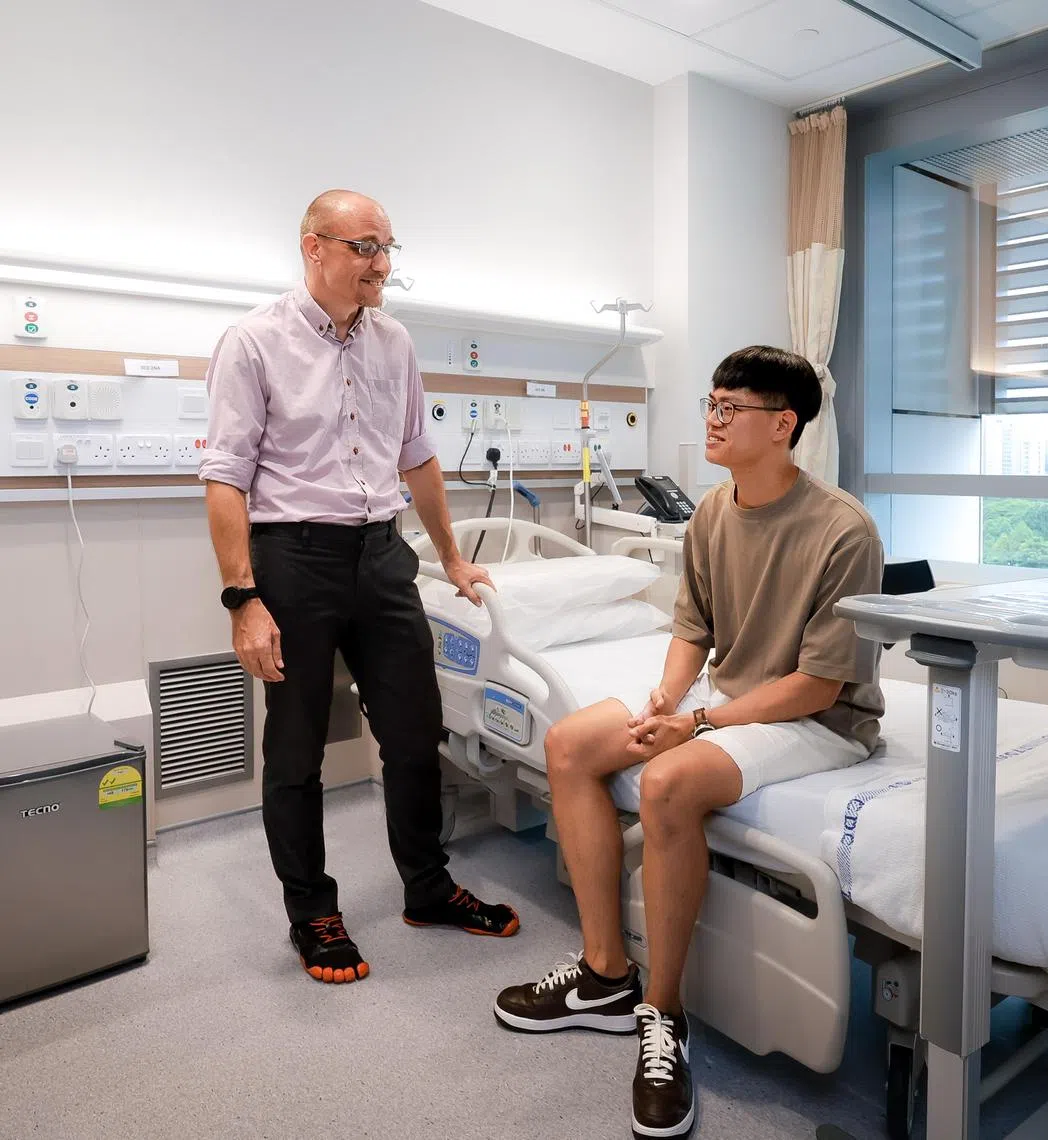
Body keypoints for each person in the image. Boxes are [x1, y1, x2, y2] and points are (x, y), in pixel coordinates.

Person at [493, 346, 885, 1138]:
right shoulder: (712, 513)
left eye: (730, 408)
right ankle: (605, 973)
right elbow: (693, 630)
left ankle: (663, 1013)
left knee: (669, 782)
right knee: (570, 744)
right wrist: (670, 697)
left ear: (784, 425)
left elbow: (818, 686)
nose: (712, 419)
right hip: (730, 695)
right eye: (710, 403)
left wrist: (696, 726)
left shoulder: (843, 530)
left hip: (820, 721)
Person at [200, 189, 519, 987]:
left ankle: (427, 887)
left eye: (387, 249)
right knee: (296, 747)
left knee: (415, 733)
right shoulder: (252, 342)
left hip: (381, 555)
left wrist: (453, 558)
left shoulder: (394, 341)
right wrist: (243, 600)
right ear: (314, 247)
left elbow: (417, 454)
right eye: (366, 247)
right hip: (293, 560)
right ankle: (313, 912)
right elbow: (225, 477)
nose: (382, 264)